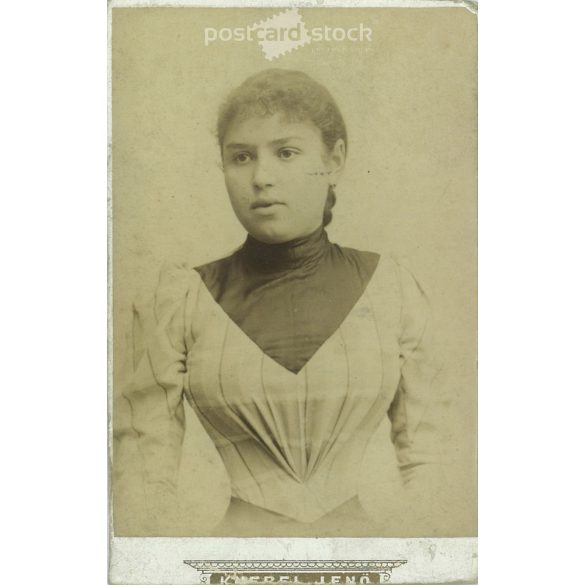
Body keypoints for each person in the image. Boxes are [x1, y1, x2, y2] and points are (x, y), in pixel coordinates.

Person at [120, 68, 447, 536]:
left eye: (287, 153)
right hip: (235, 559)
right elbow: (142, 472)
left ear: (334, 159)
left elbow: (434, 462)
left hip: (359, 557)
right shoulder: (182, 299)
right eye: (241, 157)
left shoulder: (390, 287)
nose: (261, 177)